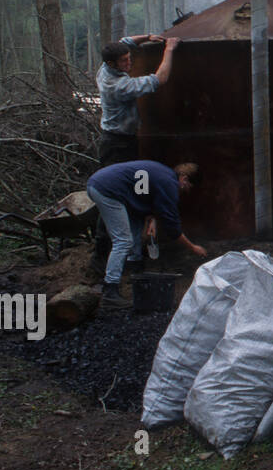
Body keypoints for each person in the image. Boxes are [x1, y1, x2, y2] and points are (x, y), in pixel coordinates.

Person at [90, 34, 178, 277]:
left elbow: (125, 40)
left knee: (130, 193)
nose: (129, 63)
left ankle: (131, 252)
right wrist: (169, 49)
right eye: (125, 61)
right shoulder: (118, 85)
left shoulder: (106, 68)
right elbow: (161, 78)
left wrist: (147, 37)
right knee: (113, 195)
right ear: (112, 63)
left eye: (129, 59)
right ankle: (103, 255)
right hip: (117, 144)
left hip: (120, 140)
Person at [86, 160, 206, 309]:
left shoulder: (164, 174)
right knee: (123, 241)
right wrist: (192, 247)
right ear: (185, 179)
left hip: (103, 184)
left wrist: (152, 219)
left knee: (135, 224)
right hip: (107, 190)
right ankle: (110, 292)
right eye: (187, 187)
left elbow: (142, 197)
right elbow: (172, 226)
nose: (184, 191)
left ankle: (135, 269)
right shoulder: (169, 184)